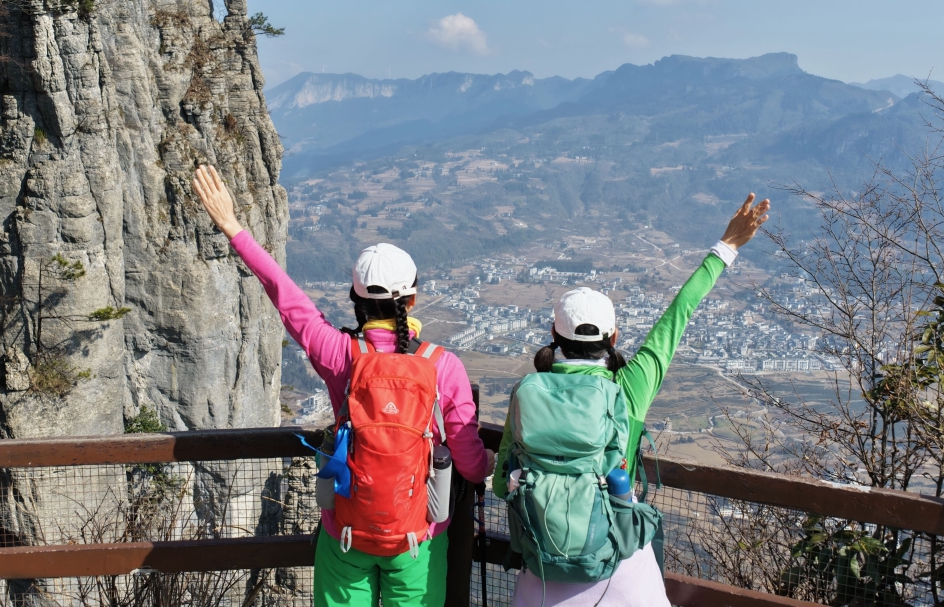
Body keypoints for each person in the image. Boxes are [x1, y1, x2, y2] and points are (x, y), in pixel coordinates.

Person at [191, 164, 492, 607]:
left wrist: (233, 226)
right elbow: (468, 460)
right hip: (418, 539)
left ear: (355, 299)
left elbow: (287, 297)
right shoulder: (442, 366)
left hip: (348, 531)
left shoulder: (340, 355)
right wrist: (486, 466)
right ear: (411, 300)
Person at [493, 194, 771, 606]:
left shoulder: (528, 393)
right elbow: (677, 316)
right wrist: (726, 246)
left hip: (542, 571)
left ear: (554, 335)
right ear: (614, 338)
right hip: (618, 566)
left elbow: (503, 483)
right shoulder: (630, 386)